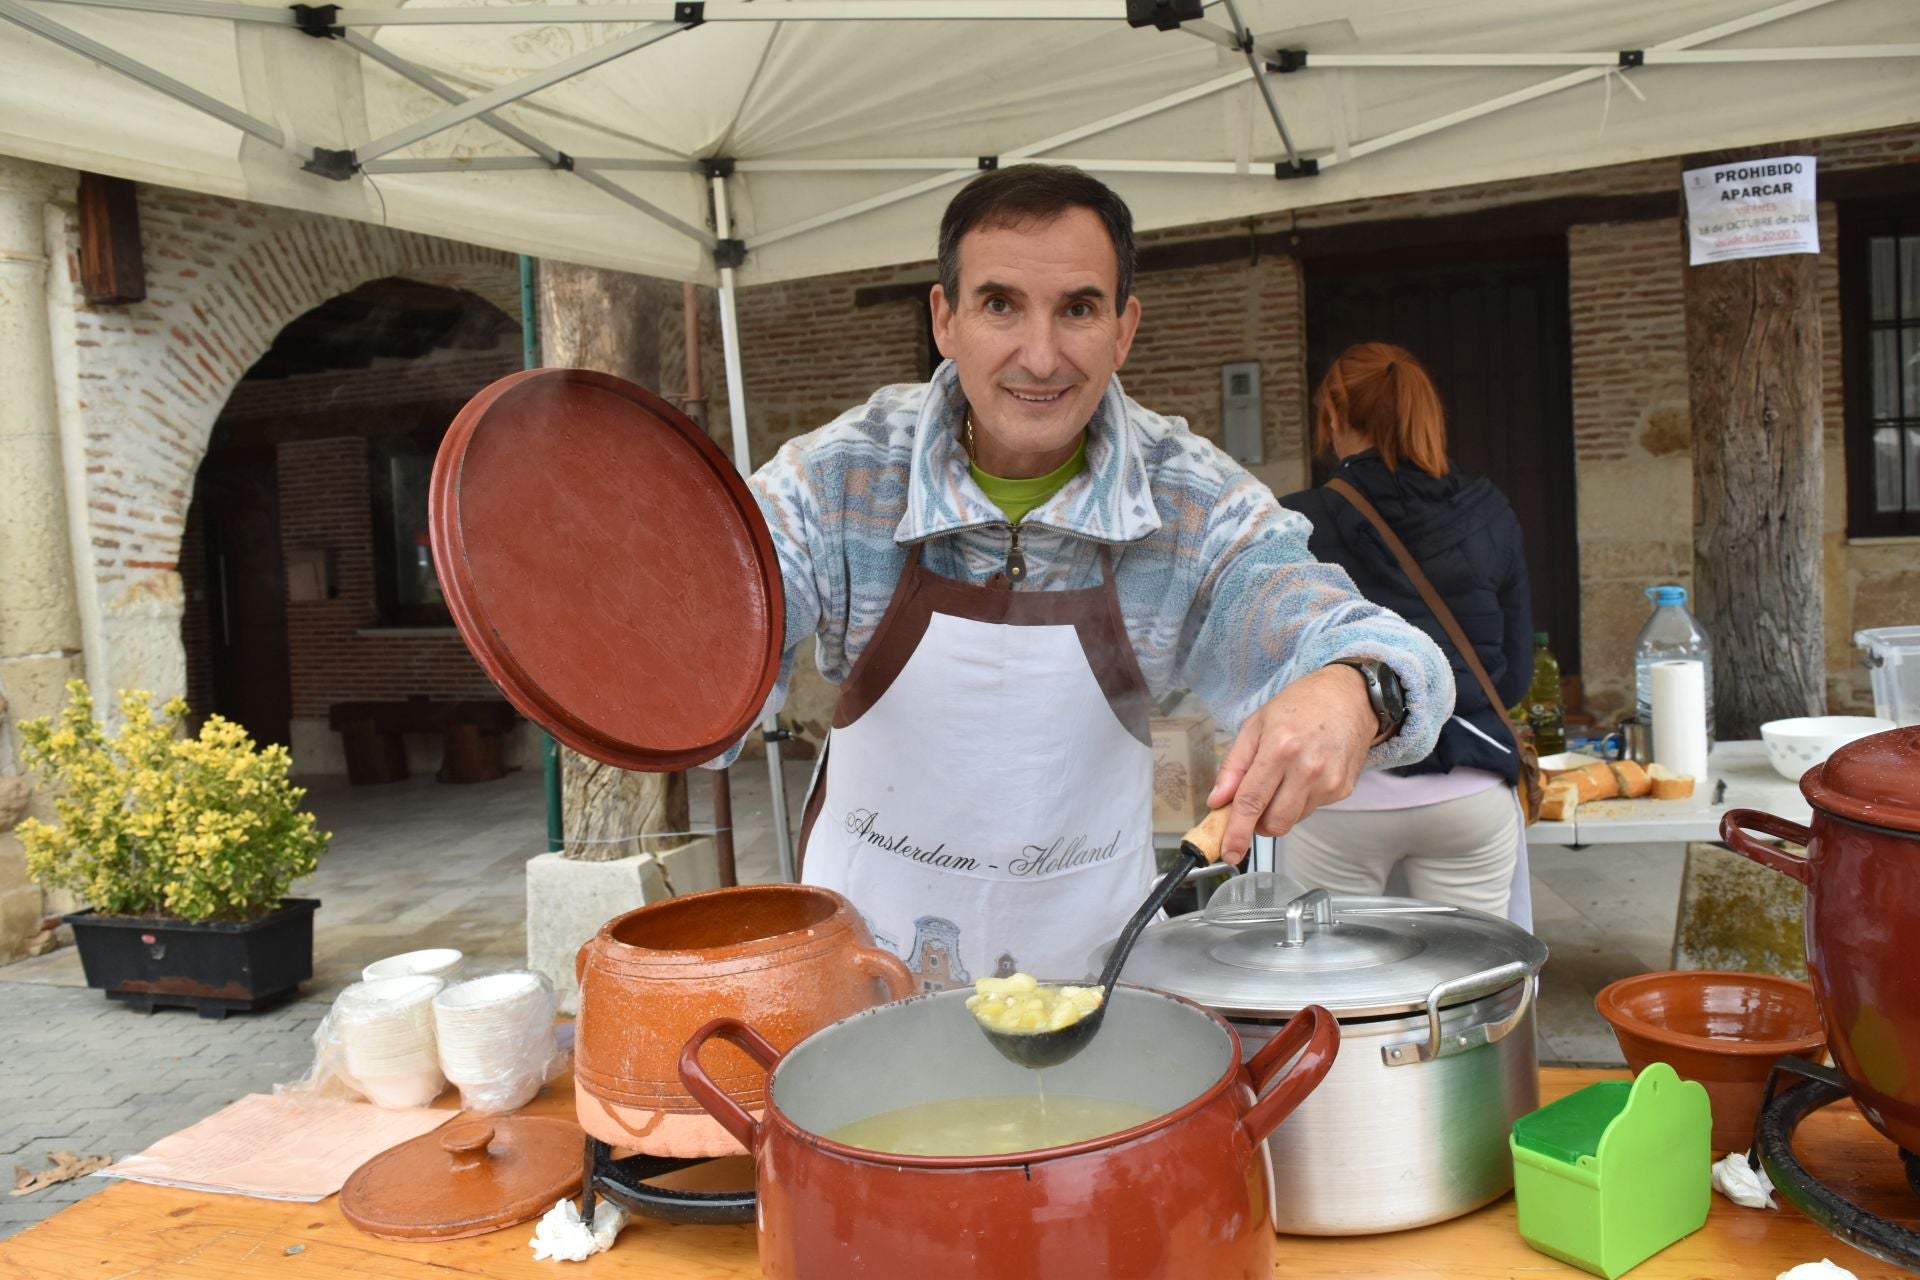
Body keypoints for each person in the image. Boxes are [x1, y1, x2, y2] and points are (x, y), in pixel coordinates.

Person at [715, 166, 1454, 986]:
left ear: (1123, 328)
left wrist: (1354, 690)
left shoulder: (1189, 502)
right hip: (858, 982)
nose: (1040, 356)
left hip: (1093, 999)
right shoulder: (838, 480)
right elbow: (712, 646)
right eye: (1000, 305)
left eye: (1078, 309)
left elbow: (1362, 640)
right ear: (945, 318)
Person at [1277, 342, 1534, 926]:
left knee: (1339, 995)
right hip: (1468, 794)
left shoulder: (1299, 520)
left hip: (1342, 791)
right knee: (1472, 991)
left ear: (1334, 414)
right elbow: (1514, 677)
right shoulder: (1490, 511)